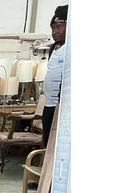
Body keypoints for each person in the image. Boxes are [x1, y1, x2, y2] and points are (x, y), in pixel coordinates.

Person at [42, 5, 68, 147]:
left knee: (58, 144)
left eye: (59, 27)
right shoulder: (53, 48)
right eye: (53, 28)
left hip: (60, 106)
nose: (55, 32)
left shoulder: (70, 48)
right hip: (48, 104)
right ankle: (46, 167)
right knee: (47, 141)